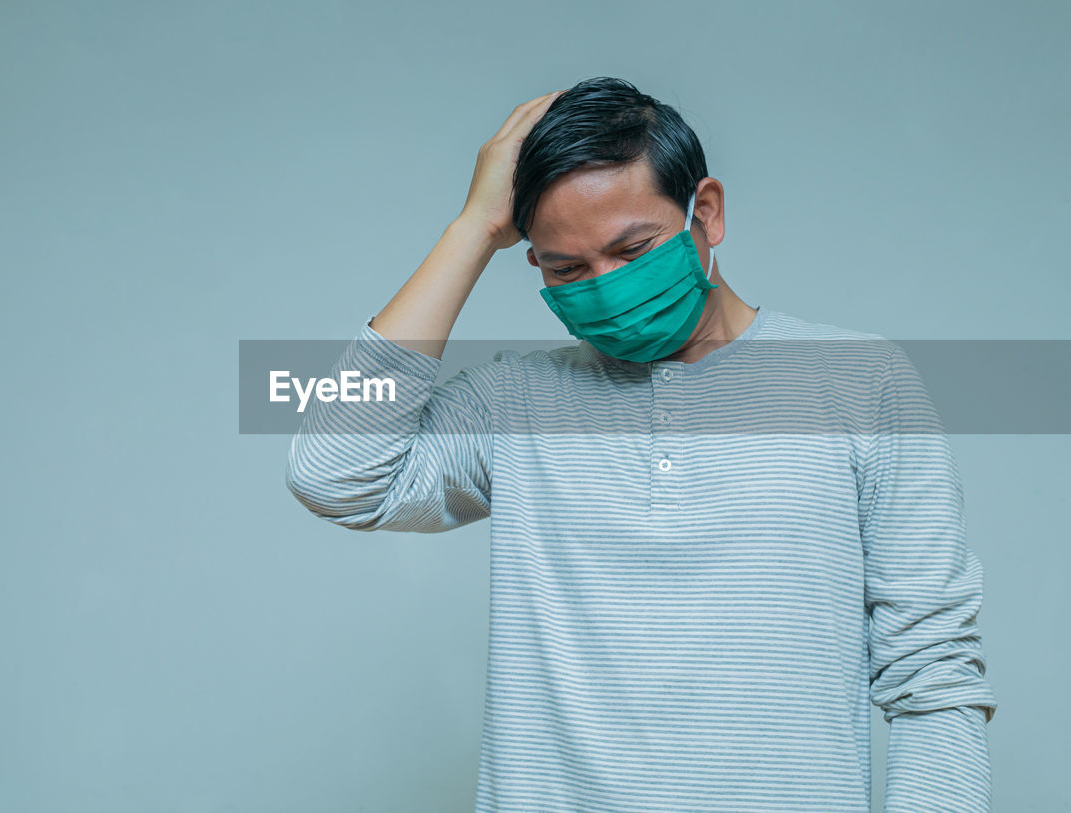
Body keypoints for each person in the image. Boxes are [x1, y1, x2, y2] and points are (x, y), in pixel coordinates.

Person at [284, 76, 997, 812]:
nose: (608, 285)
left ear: (706, 213)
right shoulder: (516, 402)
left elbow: (933, 678)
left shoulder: (859, 382)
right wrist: (469, 230)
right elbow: (334, 470)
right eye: (568, 268)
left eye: (633, 248)